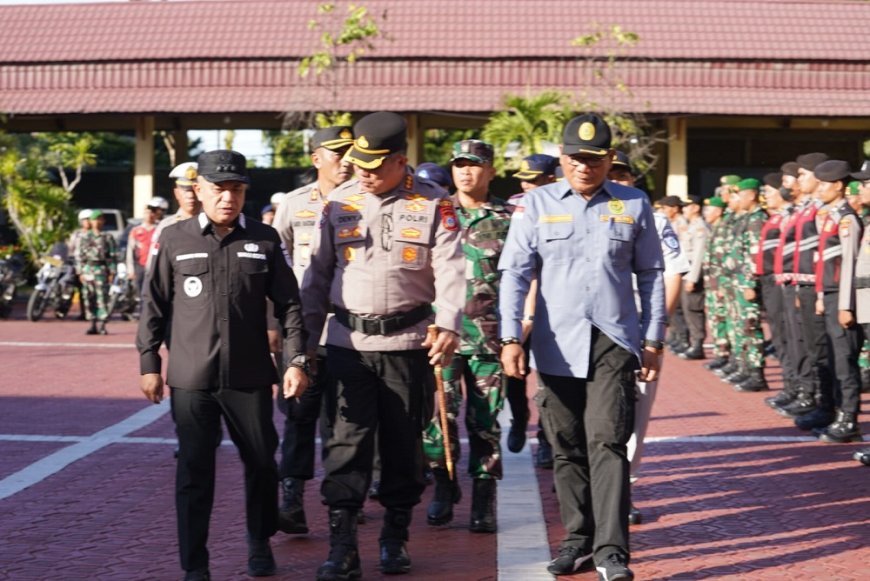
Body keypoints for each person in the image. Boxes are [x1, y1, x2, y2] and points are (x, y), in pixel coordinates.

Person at [499, 113, 665, 580]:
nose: (584, 166)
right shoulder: (537, 205)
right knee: (566, 443)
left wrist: (654, 338)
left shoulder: (633, 204)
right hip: (554, 342)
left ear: (610, 160)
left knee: (607, 441)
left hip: (613, 340)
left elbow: (651, 274)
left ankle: (612, 550)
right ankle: (577, 539)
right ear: (561, 160)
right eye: (574, 158)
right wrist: (511, 336)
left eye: (594, 159)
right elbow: (515, 272)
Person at [301, 112, 464, 579]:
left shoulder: (436, 204)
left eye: (375, 166)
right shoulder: (339, 203)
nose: (365, 174)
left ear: (400, 161)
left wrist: (449, 324)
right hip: (347, 345)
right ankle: (343, 545)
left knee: (401, 446)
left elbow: (452, 270)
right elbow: (316, 278)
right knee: (344, 445)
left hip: (408, 344)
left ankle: (395, 536)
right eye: (359, 164)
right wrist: (305, 346)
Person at [136, 150, 309, 581]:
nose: (227, 197)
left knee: (263, 464)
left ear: (244, 191)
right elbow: (153, 305)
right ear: (200, 190)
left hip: (249, 377)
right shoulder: (174, 238)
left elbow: (289, 306)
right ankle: (195, 563)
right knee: (194, 472)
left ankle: (259, 541)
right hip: (191, 377)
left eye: (235, 188)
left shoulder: (266, 239)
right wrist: (149, 363)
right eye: (218, 188)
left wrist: (295, 360)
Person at [422, 139, 510, 533]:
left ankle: (484, 496)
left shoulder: (508, 218)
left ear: (491, 170)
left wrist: (517, 334)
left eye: (474, 165)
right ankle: (443, 484)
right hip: (442, 336)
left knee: (485, 421)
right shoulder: (434, 214)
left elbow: (519, 278)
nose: (465, 172)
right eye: (459, 164)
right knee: (438, 418)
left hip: (488, 338)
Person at [270, 125, 355, 535]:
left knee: (347, 423)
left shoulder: (362, 199)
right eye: (336, 152)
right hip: (304, 332)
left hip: (351, 331)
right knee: (299, 416)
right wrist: (275, 322)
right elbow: (277, 261)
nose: (346, 159)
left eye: (350, 151)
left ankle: (345, 501)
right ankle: (292, 497)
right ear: (316, 157)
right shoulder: (293, 203)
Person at [812, 160, 863, 442]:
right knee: (834, 358)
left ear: (838, 185)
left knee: (845, 361)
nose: (819, 189)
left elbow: (850, 267)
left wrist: (846, 304)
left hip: (842, 298)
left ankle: (849, 419)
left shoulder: (846, 219)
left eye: (823, 184)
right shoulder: (831, 217)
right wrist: (821, 295)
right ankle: (838, 414)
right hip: (830, 295)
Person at [146, 162, 202, 271]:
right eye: (186, 190)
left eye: (195, 190)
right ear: (176, 193)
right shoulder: (166, 226)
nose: (190, 195)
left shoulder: (215, 224)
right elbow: (153, 265)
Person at [76, 209, 117, 335]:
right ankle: (92, 324)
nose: (97, 222)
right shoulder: (84, 237)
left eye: (100, 219)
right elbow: (80, 256)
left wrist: (112, 272)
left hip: (101, 270)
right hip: (88, 269)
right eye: (95, 219)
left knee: (102, 297)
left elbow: (112, 256)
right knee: (88, 297)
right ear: (91, 221)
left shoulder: (107, 237)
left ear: (103, 221)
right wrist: (80, 272)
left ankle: (103, 325)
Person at [679, 195, 710, 360]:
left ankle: (698, 344)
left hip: (693, 274)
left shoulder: (700, 228)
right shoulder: (691, 226)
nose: (683, 209)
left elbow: (699, 255)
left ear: (696, 208)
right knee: (687, 308)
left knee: (694, 309)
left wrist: (692, 278)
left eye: (686, 206)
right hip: (686, 272)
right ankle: (693, 342)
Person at [126, 196, 168, 294]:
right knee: (141, 293)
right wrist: (131, 270)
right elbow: (130, 251)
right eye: (147, 212)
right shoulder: (136, 230)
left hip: (155, 265)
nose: (149, 215)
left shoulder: (159, 228)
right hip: (140, 266)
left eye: (152, 213)